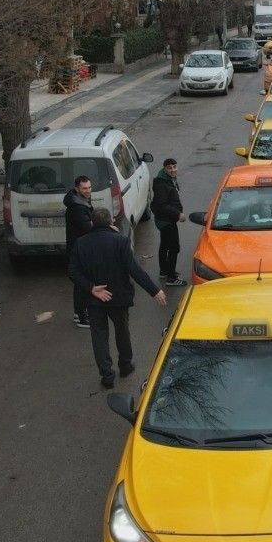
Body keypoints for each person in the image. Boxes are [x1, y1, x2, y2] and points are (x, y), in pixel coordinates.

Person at [68, 208, 167, 388]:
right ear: (110, 222)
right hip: (118, 298)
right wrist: (154, 291)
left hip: (94, 300)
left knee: (99, 337)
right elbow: (135, 270)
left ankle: (107, 375)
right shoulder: (120, 242)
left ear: (92, 222)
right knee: (122, 332)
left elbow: (73, 272)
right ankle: (125, 365)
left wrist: (91, 288)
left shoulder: (80, 243)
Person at [62, 175, 96, 328]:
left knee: (82, 283)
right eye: (84, 188)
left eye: (89, 187)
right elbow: (88, 227)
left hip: (81, 248)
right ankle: (81, 316)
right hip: (79, 250)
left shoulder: (79, 200)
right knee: (82, 283)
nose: (88, 191)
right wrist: (105, 225)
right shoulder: (77, 207)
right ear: (77, 189)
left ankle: (81, 312)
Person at [151, 158, 187, 286]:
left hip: (165, 219)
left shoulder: (167, 179)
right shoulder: (162, 184)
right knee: (174, 247)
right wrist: (178, 214)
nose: (173, 170)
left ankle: (164, 271)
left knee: (165, 245)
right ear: (165, 169)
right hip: (166, 221)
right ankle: (171, 279)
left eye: (174, 167)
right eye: (170, 168)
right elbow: (162, 205)